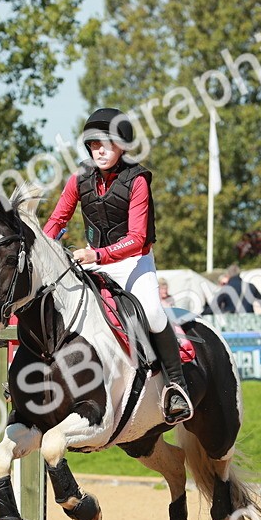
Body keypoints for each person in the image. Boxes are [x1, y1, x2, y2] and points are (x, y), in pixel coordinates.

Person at [42, 107, 192, 424]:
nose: (100, 150)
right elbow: (58, 220)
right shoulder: (78, 179)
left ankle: (177, 387)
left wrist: (97, 256)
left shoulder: (137, 181)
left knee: (151, 312)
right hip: (94, 262)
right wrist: (40, 250)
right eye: (94, 144)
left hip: (134, 262)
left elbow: (137, 237)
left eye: (107, 144)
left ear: (121, 146)